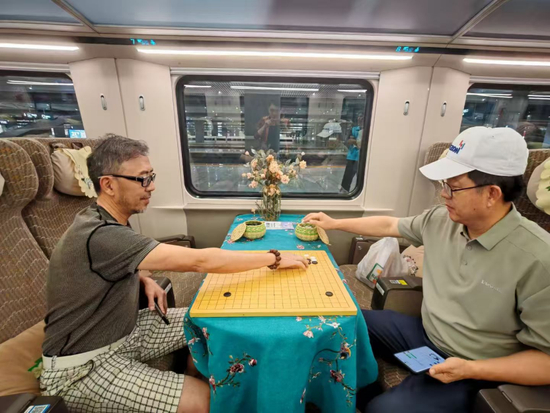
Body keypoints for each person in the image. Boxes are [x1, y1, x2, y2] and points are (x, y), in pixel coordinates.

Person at [40, 135, 308, 413]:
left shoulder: (103, 219)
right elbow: (200, 261)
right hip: (84, 366)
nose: (151, 186)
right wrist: (273, 259)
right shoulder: (100, 234)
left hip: (129, 331)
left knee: (215, 319)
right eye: (142, 179)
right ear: (108, 184)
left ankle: (192, 376)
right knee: (207, 401)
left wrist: (142, 278)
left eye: (151, 176)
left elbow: (111, 264)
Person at [304, 127, 550, 413]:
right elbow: (390, 225)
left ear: (492, 194)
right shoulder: (442, 220)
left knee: (385, 411)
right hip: (424, 334)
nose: (443, 194)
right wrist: (334, 223)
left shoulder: (538, 258)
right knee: (339, 324)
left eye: (453, 187)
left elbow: (545, 362)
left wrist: (470, 368)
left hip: (476, 367)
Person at [340, 115, 363, 192]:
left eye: (362, 118)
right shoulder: (353, 129)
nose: (360, 120)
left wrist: (355, 142)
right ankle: (344, 190)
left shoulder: (368, 130)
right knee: (348, 176)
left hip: (362, 157)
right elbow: (347, 141)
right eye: (359, 118)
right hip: (352, 156)